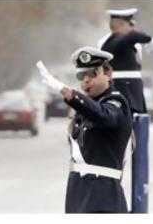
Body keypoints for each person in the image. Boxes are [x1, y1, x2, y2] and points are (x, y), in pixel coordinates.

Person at [37, 46, 133, 213]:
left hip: (103, 200)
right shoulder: (84, 110)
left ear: (108, 75)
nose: (86, 80)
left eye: (93, 73)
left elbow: (103, 116)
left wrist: (67, 92)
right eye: (81, 75)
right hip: (79, 196)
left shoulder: (116, 104)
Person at [99, 8, 153, 114]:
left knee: (136, 121)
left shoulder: (113, 42)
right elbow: (133, 36)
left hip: (128, 87)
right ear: (119, 25)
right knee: (128, 121)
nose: (133, 27)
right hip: (125, 88)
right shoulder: (115, 41)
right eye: (130, 24)